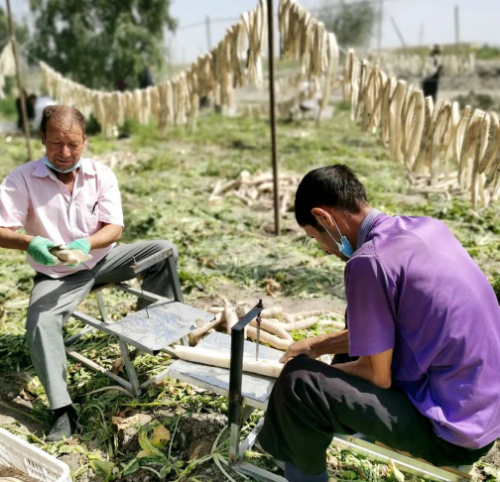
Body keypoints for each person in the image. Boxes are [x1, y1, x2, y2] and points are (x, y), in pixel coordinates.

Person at [258, 165, 500, 482]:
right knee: (351, 331)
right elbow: (402, 321)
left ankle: (302, 468)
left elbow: (378, 377)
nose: (325, 249)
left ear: (324, 218)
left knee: (298, 384)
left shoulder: (367, 261)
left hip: (449, 435)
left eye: (316, 238)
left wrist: (310, 370)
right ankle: (326, 434)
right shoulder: (426, 228)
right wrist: (316, 346)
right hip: (484, 417)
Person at [0, 105, 180, 442]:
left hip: (102, 261)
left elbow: (114, 228)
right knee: (40, 322)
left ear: (85, 140)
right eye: (56, 144)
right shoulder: (21, 179)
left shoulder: (101, 175)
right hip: (57, 275)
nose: (65, 153)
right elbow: (0, 229)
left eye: (73, 144)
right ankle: (62, 409)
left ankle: (151, 334)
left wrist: (86, 243)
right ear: (42, 139)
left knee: (163, 250)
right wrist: (30, 243)